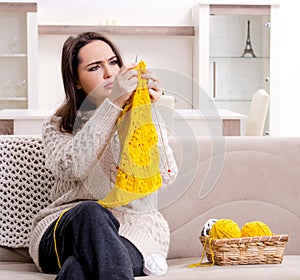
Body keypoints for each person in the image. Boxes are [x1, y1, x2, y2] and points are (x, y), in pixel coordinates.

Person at [29, 31, 178, 280]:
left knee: (78, 270)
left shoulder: (138, 114)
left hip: (135, 233)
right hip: (64, 229)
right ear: (76, 81)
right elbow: (71, 166)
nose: (109, 73)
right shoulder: (58, 125)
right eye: (95, 67)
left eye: (113, 62)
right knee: (91, 211)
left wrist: (149, 113)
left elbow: (164, 174)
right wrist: (114, 103)